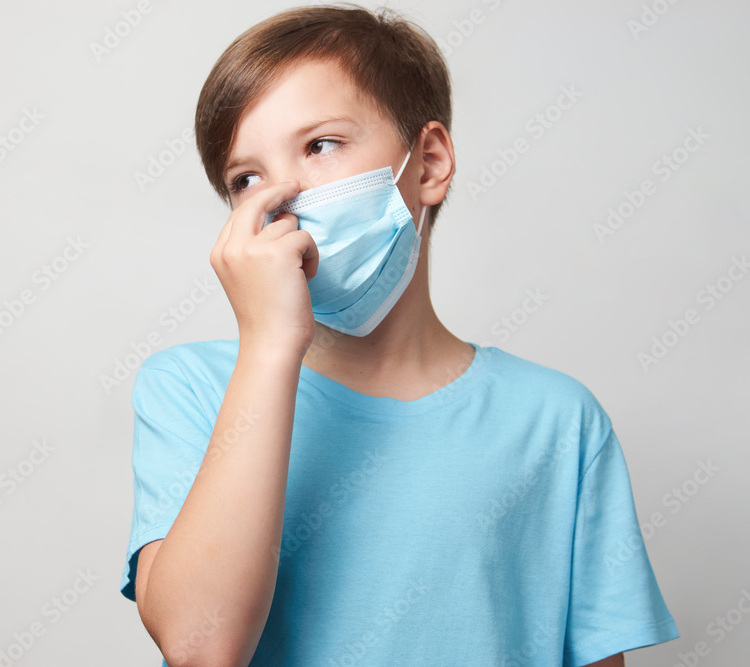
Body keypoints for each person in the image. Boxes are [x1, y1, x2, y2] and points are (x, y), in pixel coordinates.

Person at [119, 4, 680, 665]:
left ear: (430, 162)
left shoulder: (559, 420)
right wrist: (270, 346)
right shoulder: (191, 388)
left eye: (321, 145)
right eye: (247, 178)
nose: (284, 193)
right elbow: (200, 648)